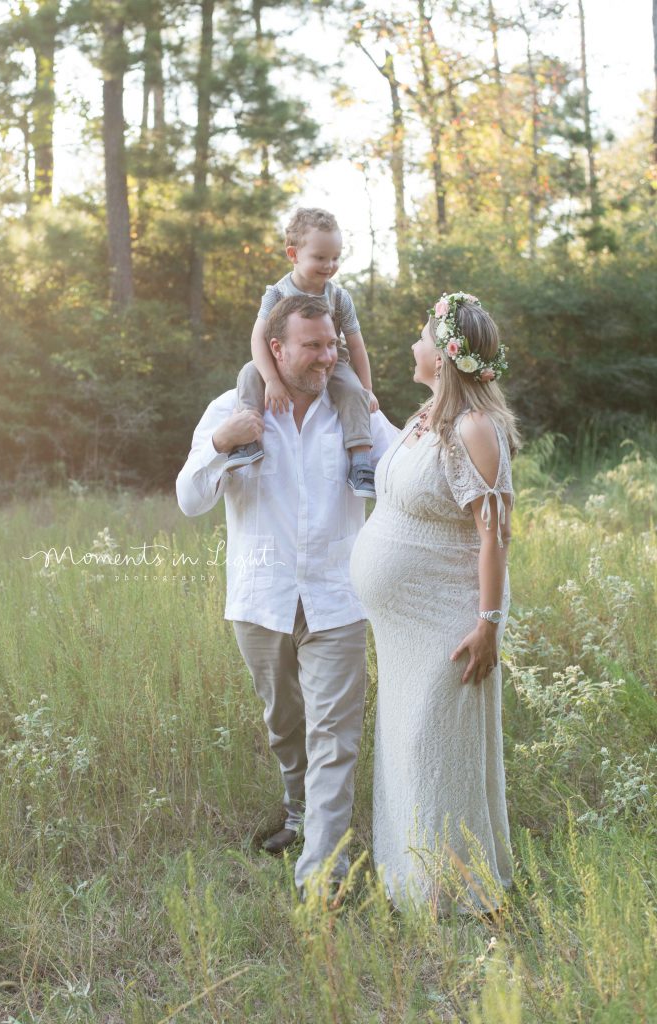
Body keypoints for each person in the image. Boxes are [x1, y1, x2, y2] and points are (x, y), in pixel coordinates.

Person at [176, 294, 398, 897]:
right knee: (285, 724)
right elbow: (189, 499)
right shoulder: (233, 407)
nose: (330, 356)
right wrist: (222, 444)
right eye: (314, 346)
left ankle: (320, 877)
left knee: (336, 738)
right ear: (277, 349)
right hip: (261, 597)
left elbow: (409, 470)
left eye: (333, 344)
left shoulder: (355, 412)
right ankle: (297, 810)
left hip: (338, 599)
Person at [349, 291, 520, 916]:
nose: (413, 346)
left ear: (446, 355)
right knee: (405, 743)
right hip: (402, 628)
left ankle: (453, 893)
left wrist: (488, 625)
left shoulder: (476, 428)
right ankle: (411, 878)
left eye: (423, 337)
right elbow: (410, 476)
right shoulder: (428, 420)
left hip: (448, 619)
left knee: (434, 747)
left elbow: (494, 533)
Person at [224, 207, 379, 499]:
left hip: (331, 363)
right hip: (279, 364)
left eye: (335, 257)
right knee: (248, 374)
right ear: (293, 254)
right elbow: (258, 337)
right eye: (320, 258)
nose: (329, 265)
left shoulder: (339, 297)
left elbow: (356, 344)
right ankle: (247, 440)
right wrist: (271, 379)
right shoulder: (277, 293)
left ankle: (360, 462)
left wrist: (367, 389)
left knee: (351, 389)